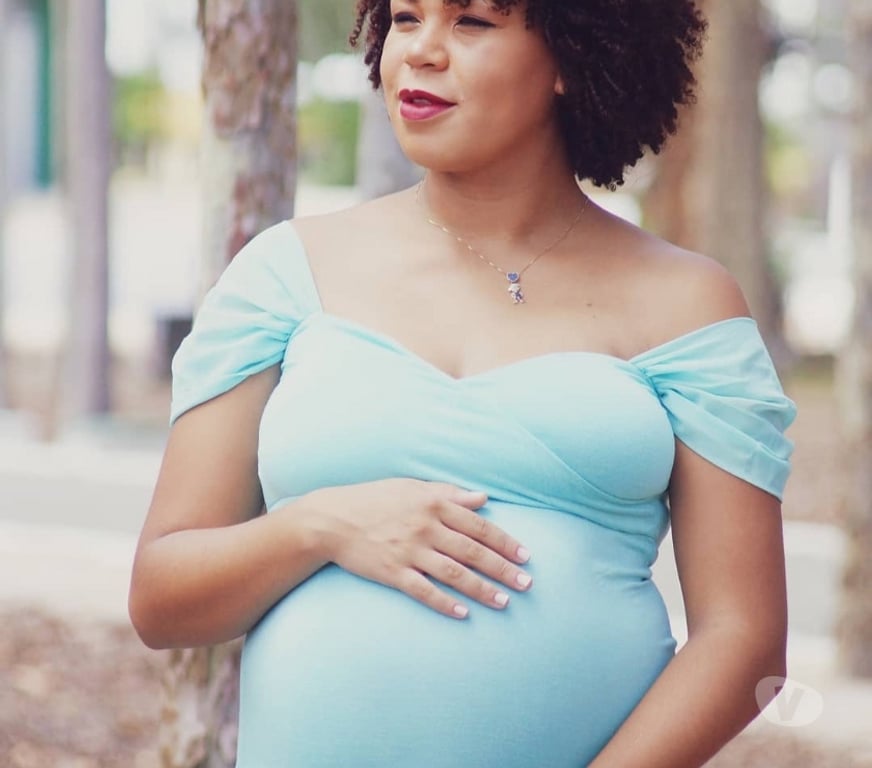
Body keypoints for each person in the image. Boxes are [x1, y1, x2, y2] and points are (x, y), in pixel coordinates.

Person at [129, 1, 797, 766]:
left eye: (471, 22)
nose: (421, 51)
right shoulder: (287, 273)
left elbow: (745, 642)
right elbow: (160, 598)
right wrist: (318, 526)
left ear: (571, 54)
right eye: (407, 17)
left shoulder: (686, 303)